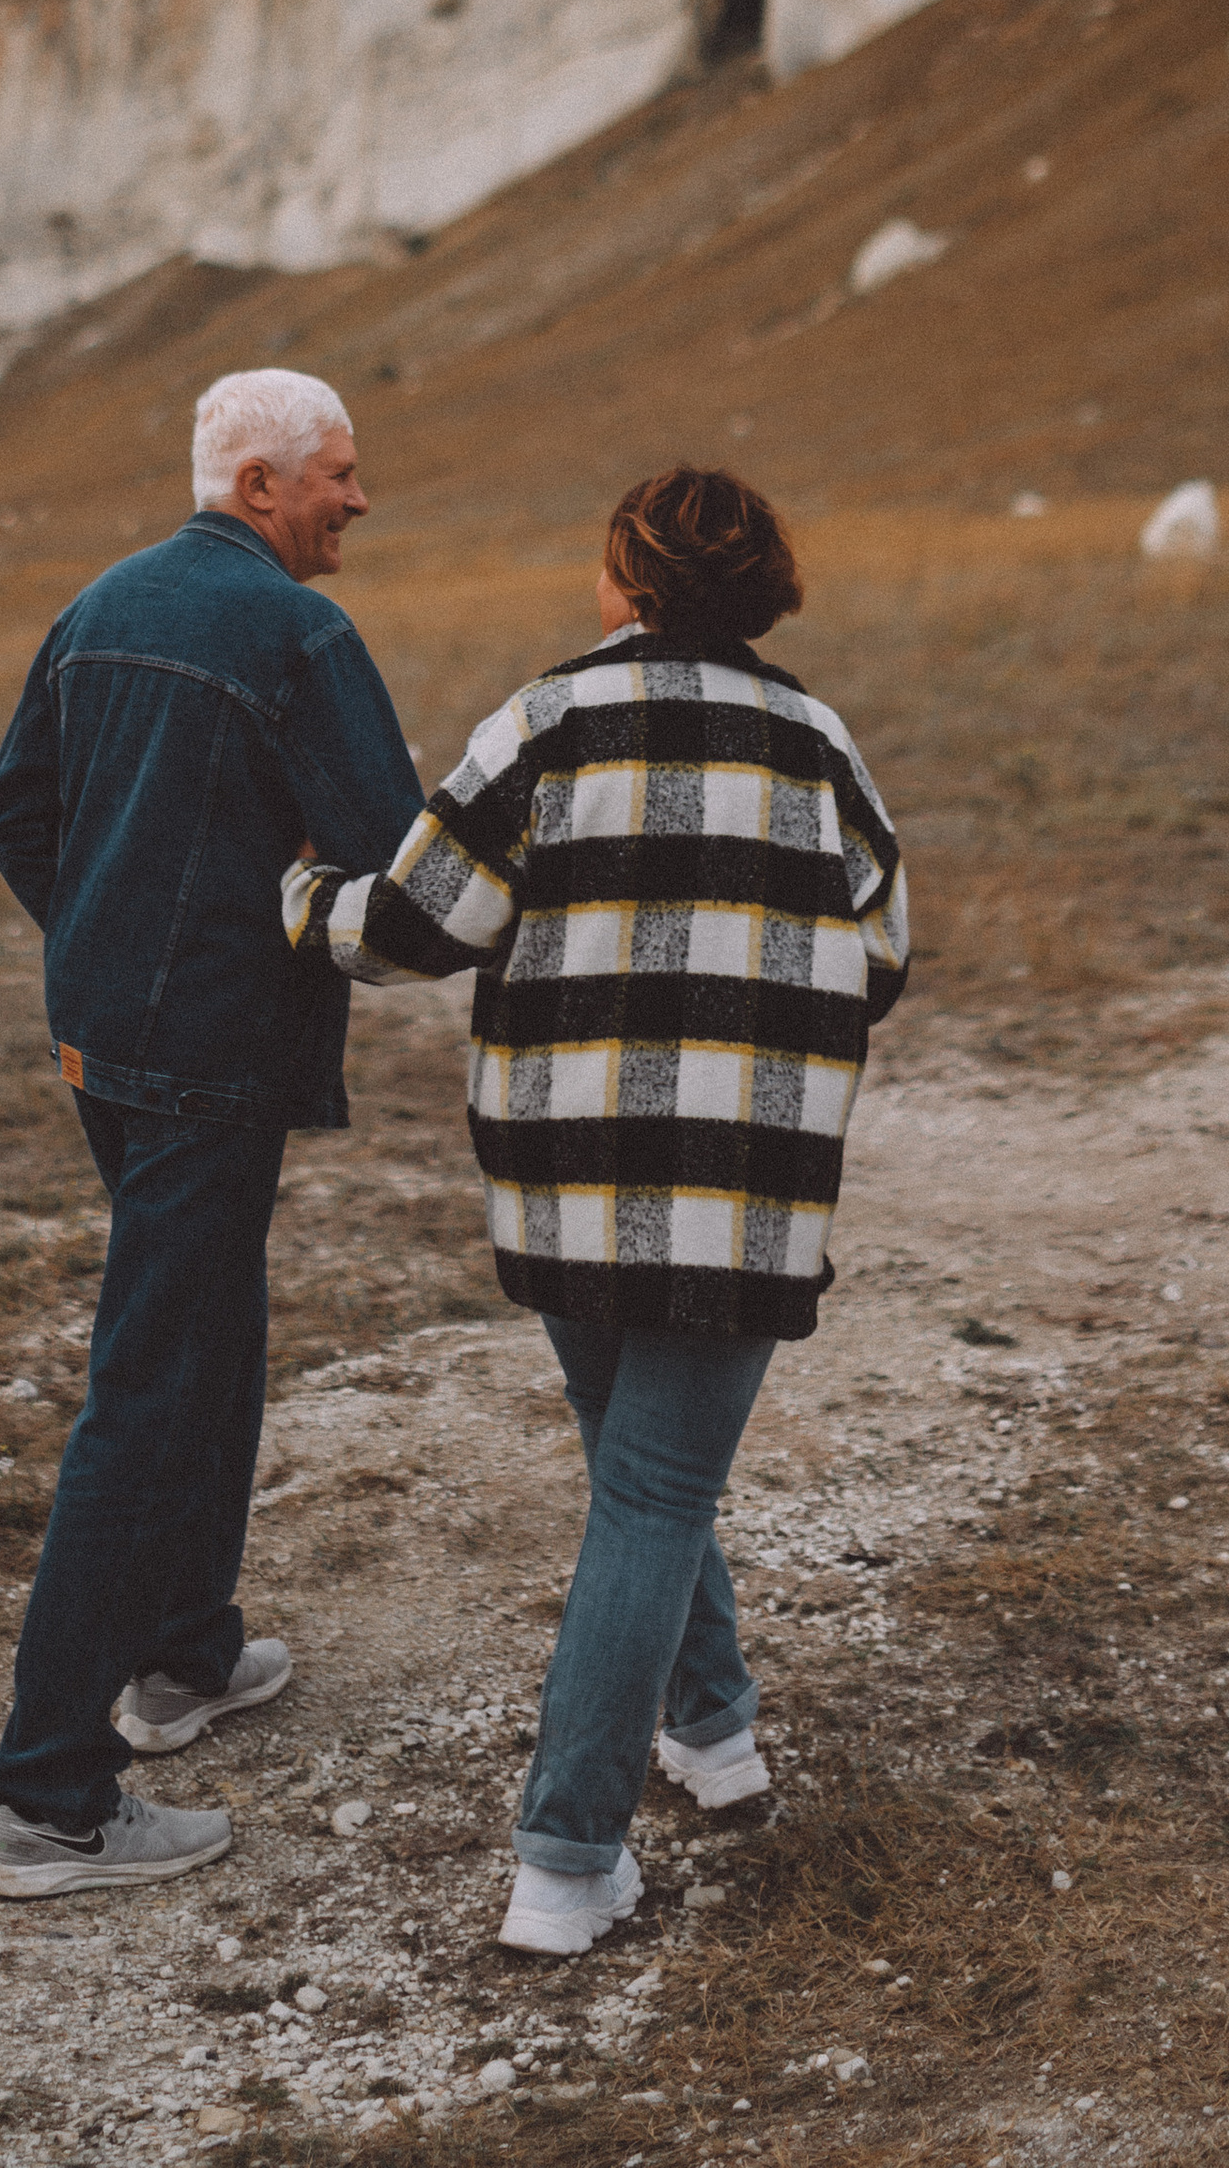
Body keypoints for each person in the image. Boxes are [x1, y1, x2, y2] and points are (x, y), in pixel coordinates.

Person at [283, 462, 908, 1956]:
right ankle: (650, 1789)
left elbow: (420, 926)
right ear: (760, 590)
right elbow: (883, 951)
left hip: (564, 1182)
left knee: (639, 1481)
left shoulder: (545, 721)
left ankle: (625, 1806)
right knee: (655, 1485)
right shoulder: (820, 744)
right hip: (744, 1190)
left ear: (624, 582)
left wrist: (304, 895)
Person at [0, 365, 425, 1900]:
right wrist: (273, 909)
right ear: (259, 489)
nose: (360, 498)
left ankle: (184, 1661)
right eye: (340, 475)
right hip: (212, 1054)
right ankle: (48, 1799)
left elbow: (11, 816)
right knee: (154, 1381)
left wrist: (104, 933)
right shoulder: (300, 632)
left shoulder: (97, 603)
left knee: (210, 1328)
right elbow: (388, 855)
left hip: (103, 1044)